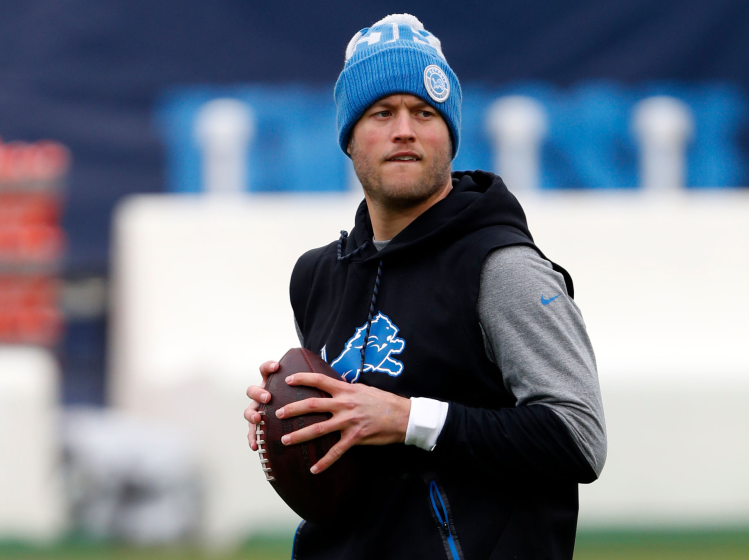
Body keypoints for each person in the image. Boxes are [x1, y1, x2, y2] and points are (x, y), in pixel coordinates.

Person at [244, 13, 606, 560]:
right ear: (348, 138)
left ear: (450, 135)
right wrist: (292, 419)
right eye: (381, 113)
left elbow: (579, 436)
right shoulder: (316, 276)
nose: (405, 130)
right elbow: (353, 450)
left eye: (425, 113)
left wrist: (408, 419)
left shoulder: (500, 266)